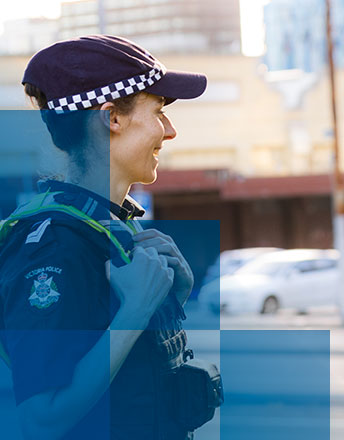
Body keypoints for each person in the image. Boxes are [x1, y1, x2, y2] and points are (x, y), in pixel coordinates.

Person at [0, 35, 221, 439]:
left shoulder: (110, 228)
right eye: (158, 111)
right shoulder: (54, 245)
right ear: (112, 117)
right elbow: (41, 421)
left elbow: (131, 379)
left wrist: (169, 301)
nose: (170, 131)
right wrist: (136, 310)